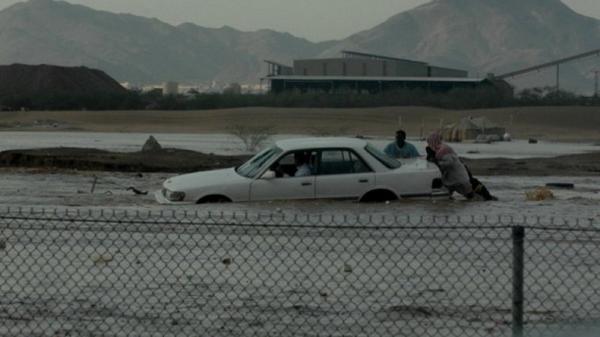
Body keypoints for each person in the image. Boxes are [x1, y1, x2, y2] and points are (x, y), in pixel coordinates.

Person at [426, 132, 497, 201]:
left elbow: (449, 163)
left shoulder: (443, 149)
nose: (429, 144)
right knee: (447, 198)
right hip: (452, 179)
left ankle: (485, 200)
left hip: (458, 178)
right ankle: (483, 201)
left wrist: (437, 162)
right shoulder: (438, 150)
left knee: (471, 197)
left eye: (429, 142)